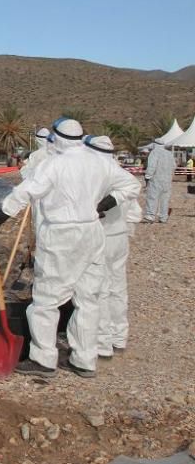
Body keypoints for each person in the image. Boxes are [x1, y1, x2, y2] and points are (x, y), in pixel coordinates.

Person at [0, 118, 141, 378]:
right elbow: (132, 185)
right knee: (88, 299)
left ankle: (43, 359)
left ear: (59, 137)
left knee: (45, 300)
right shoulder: (99, 162)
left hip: (61, 235)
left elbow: (24, 194)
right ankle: (84, 360)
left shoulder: (54, 164)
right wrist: (106, 204)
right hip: (92, 233)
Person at [85, 135, 142, 359]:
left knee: (101, 287)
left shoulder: (99, 173)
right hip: (121, 236)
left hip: (103, 235)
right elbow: (134, 209)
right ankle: (120, 336)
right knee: (119, 286)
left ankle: (103, 342)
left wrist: (103, 205)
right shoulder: (120, 171)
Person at [143, 139, 176, 223]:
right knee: (164, 199)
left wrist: (147, 176)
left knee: (152, 197)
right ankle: (163, 217)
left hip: (156, 179)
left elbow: (151, 166)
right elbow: (174, 166)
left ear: (155, 144)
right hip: (167, 180)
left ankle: (150, 215)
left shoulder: (154, 152)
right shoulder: (169, 154)